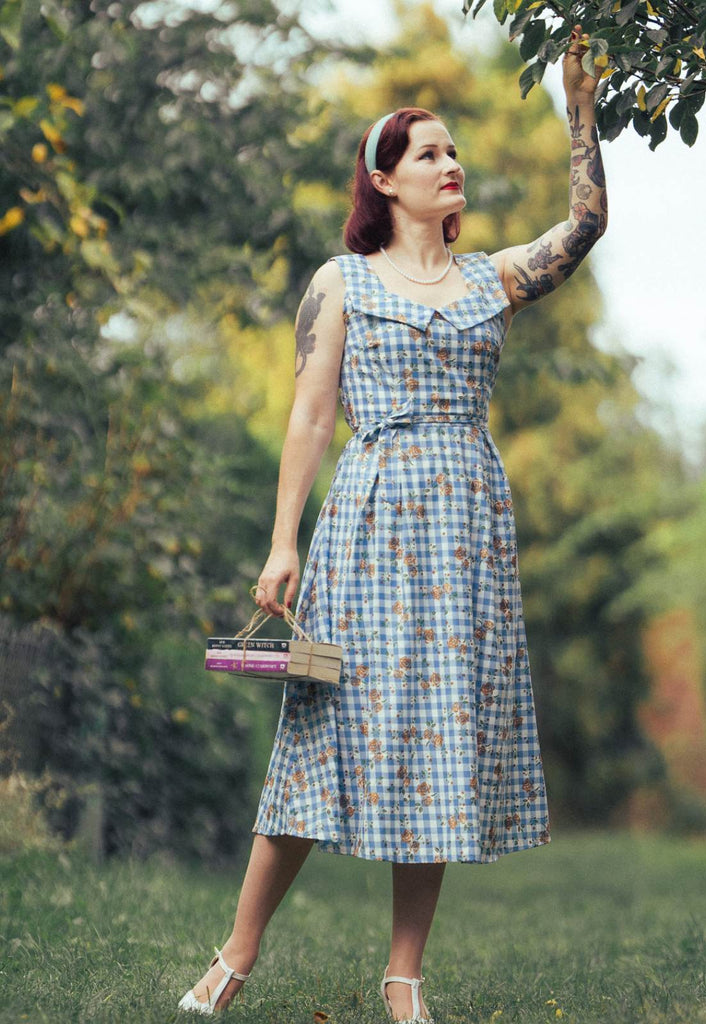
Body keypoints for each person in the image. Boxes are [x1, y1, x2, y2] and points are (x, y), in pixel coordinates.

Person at [178, 24, 606, 1023]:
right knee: (320, 736)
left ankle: (403, 975)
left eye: (456, 152)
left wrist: (581, 111)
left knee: (441, 740)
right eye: (430, 154)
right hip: (367, 525)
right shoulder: (341, 282)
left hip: (465, 530)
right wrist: (284, 541)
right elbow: (311, 415)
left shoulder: (492, 279)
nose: (452, 165)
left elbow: (584, 226)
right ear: (387, 180)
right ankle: (235, 955)